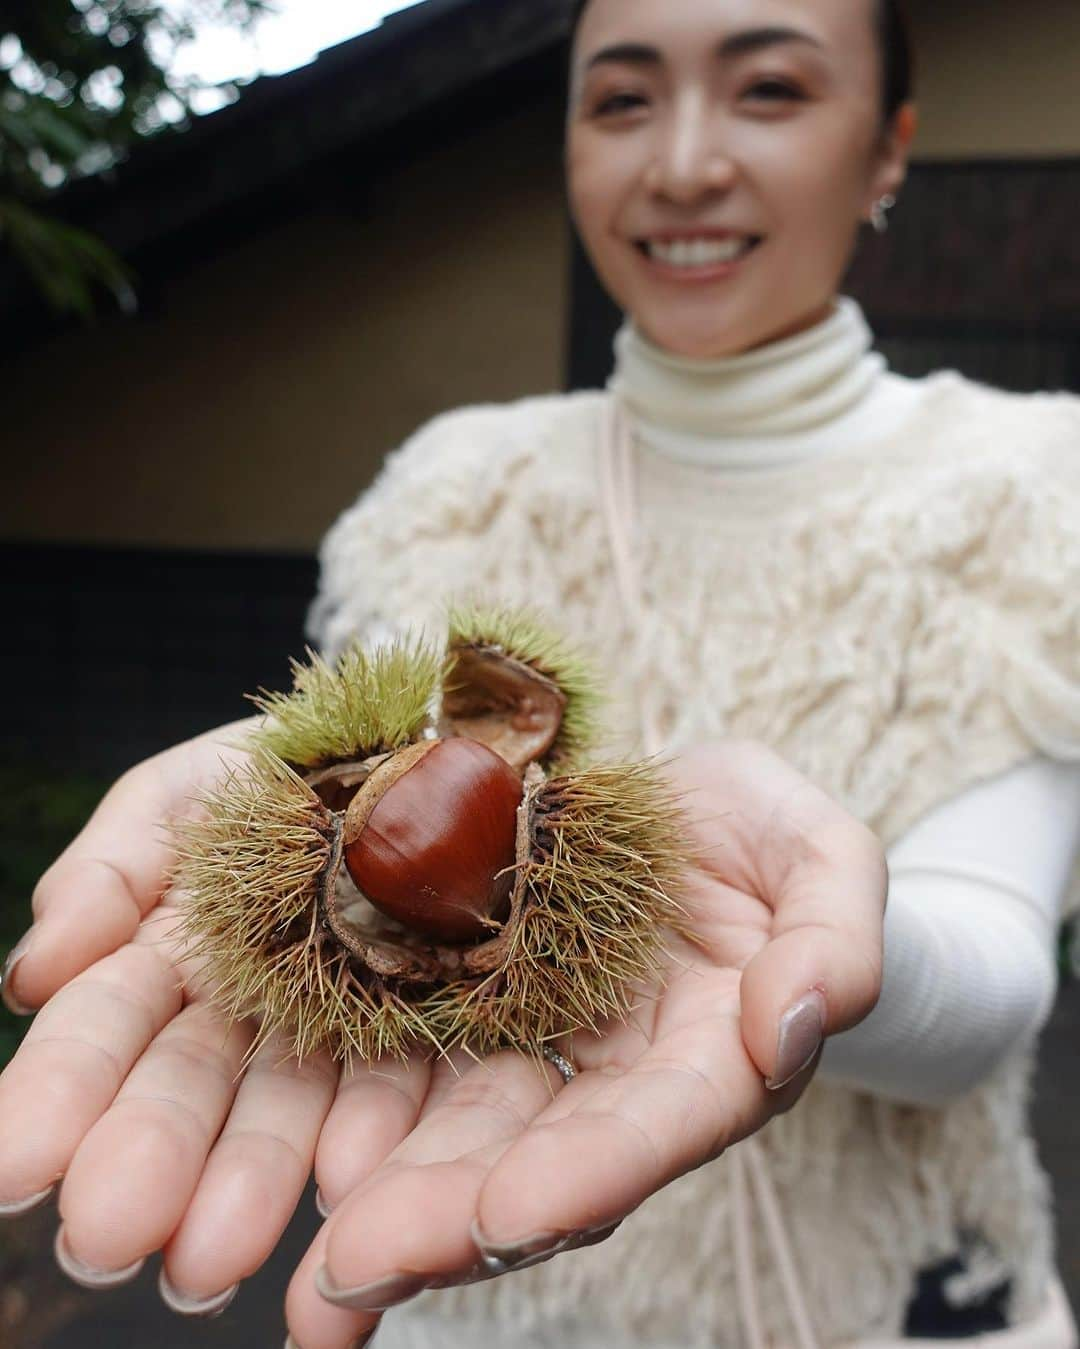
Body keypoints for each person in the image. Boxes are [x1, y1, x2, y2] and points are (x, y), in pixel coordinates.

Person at [1, 0, 1078, 1346]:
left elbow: (987, 970)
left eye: (770, 92)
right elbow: (335, 771)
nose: (682, 164)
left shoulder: (1037, 490)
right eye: (622, 101)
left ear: (887, 149)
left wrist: (812, 939)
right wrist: (284, 830)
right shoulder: (454, 485)